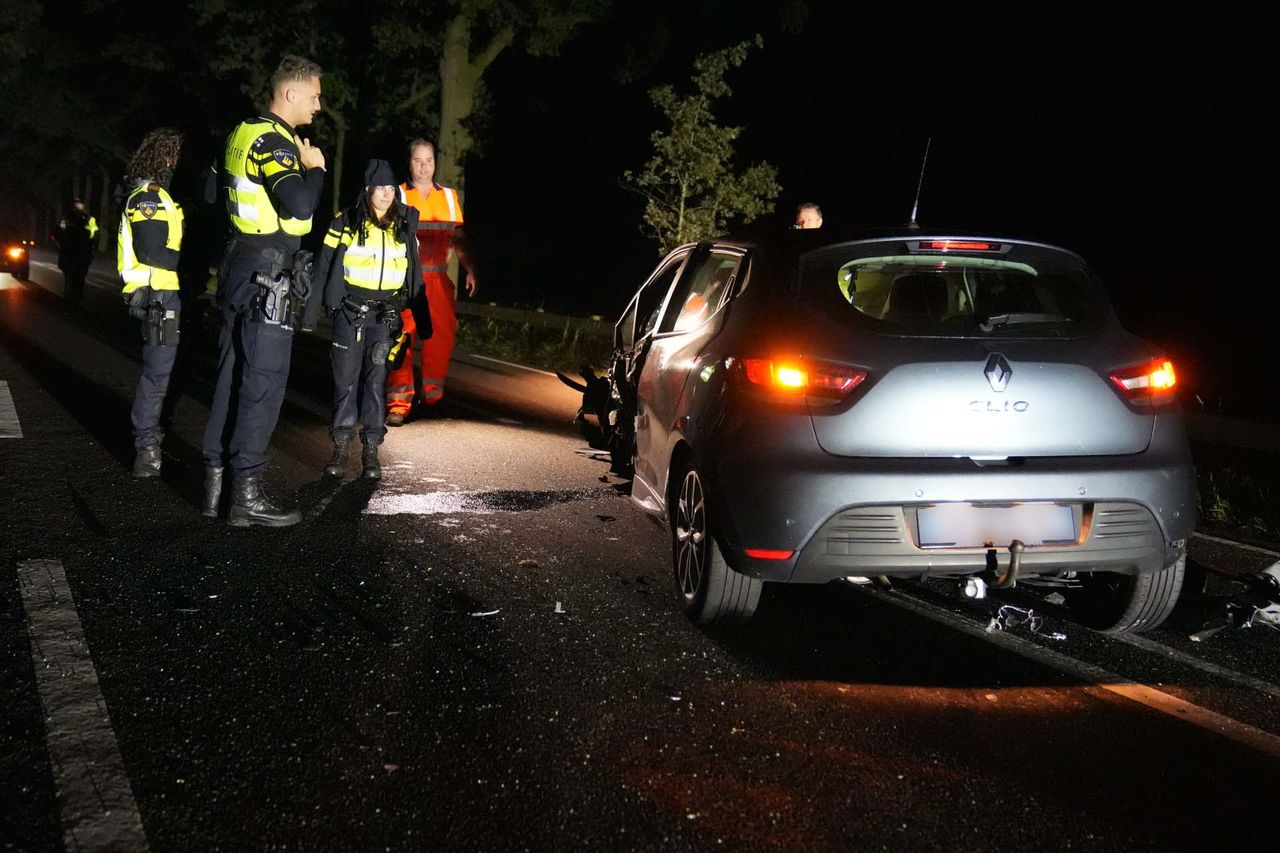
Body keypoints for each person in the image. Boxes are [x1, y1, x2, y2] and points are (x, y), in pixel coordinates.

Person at [201, 54, 326, 526]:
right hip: (268, 267)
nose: (318, 106)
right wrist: (313, 168)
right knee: (264, 382)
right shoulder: (274, 142)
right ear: (290, 94)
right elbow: (297, 201)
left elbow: (211, 194)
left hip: (236, 262)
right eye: (314, 96)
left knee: (231, 375)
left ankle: (214, 485)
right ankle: (246, 496)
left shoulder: (239, 133)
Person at [303, 159, 425, 479]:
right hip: (351, 312)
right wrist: (309, 314)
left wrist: (416, 314)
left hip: (385, 316)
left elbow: (415, 270)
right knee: (345, 382)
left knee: (375, 383)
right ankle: (341, 450)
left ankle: (371, 453)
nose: (386, 195)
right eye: (380, 188)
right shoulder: (346, 222)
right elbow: (324, 266)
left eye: (391, 188)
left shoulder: (405, 223)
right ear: (368, 190)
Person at [384, 139, 478, 425]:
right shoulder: (397, 195)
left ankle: (433, 397)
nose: (423, 167)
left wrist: (469, 269)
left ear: (435, 163)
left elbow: (458, 238)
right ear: (409, 162)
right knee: (400, 341)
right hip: (405, 281)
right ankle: (398, 403)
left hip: (438, 282)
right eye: (417, 160)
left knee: (439, 340)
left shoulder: (449, 197)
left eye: (428, 161)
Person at [117, 128, 186, 478]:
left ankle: (150, 438)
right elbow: (151, 251)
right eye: (174, 156)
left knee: (162, 372)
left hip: (162, 295)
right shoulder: (148, 198)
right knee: (157, 374)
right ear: (163, 159)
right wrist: (187, 259)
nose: (177, 163)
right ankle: (146, 448)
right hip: (156, 297)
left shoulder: (160, 197)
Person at [57, 198, 98, 307]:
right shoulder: (84, 218)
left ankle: (72, 297)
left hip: (75, 252)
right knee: (75, 277)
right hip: (77, 252)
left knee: (75, 277)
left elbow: (60, 233)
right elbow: (94, 236)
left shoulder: (84, 218)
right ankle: (74, 297)